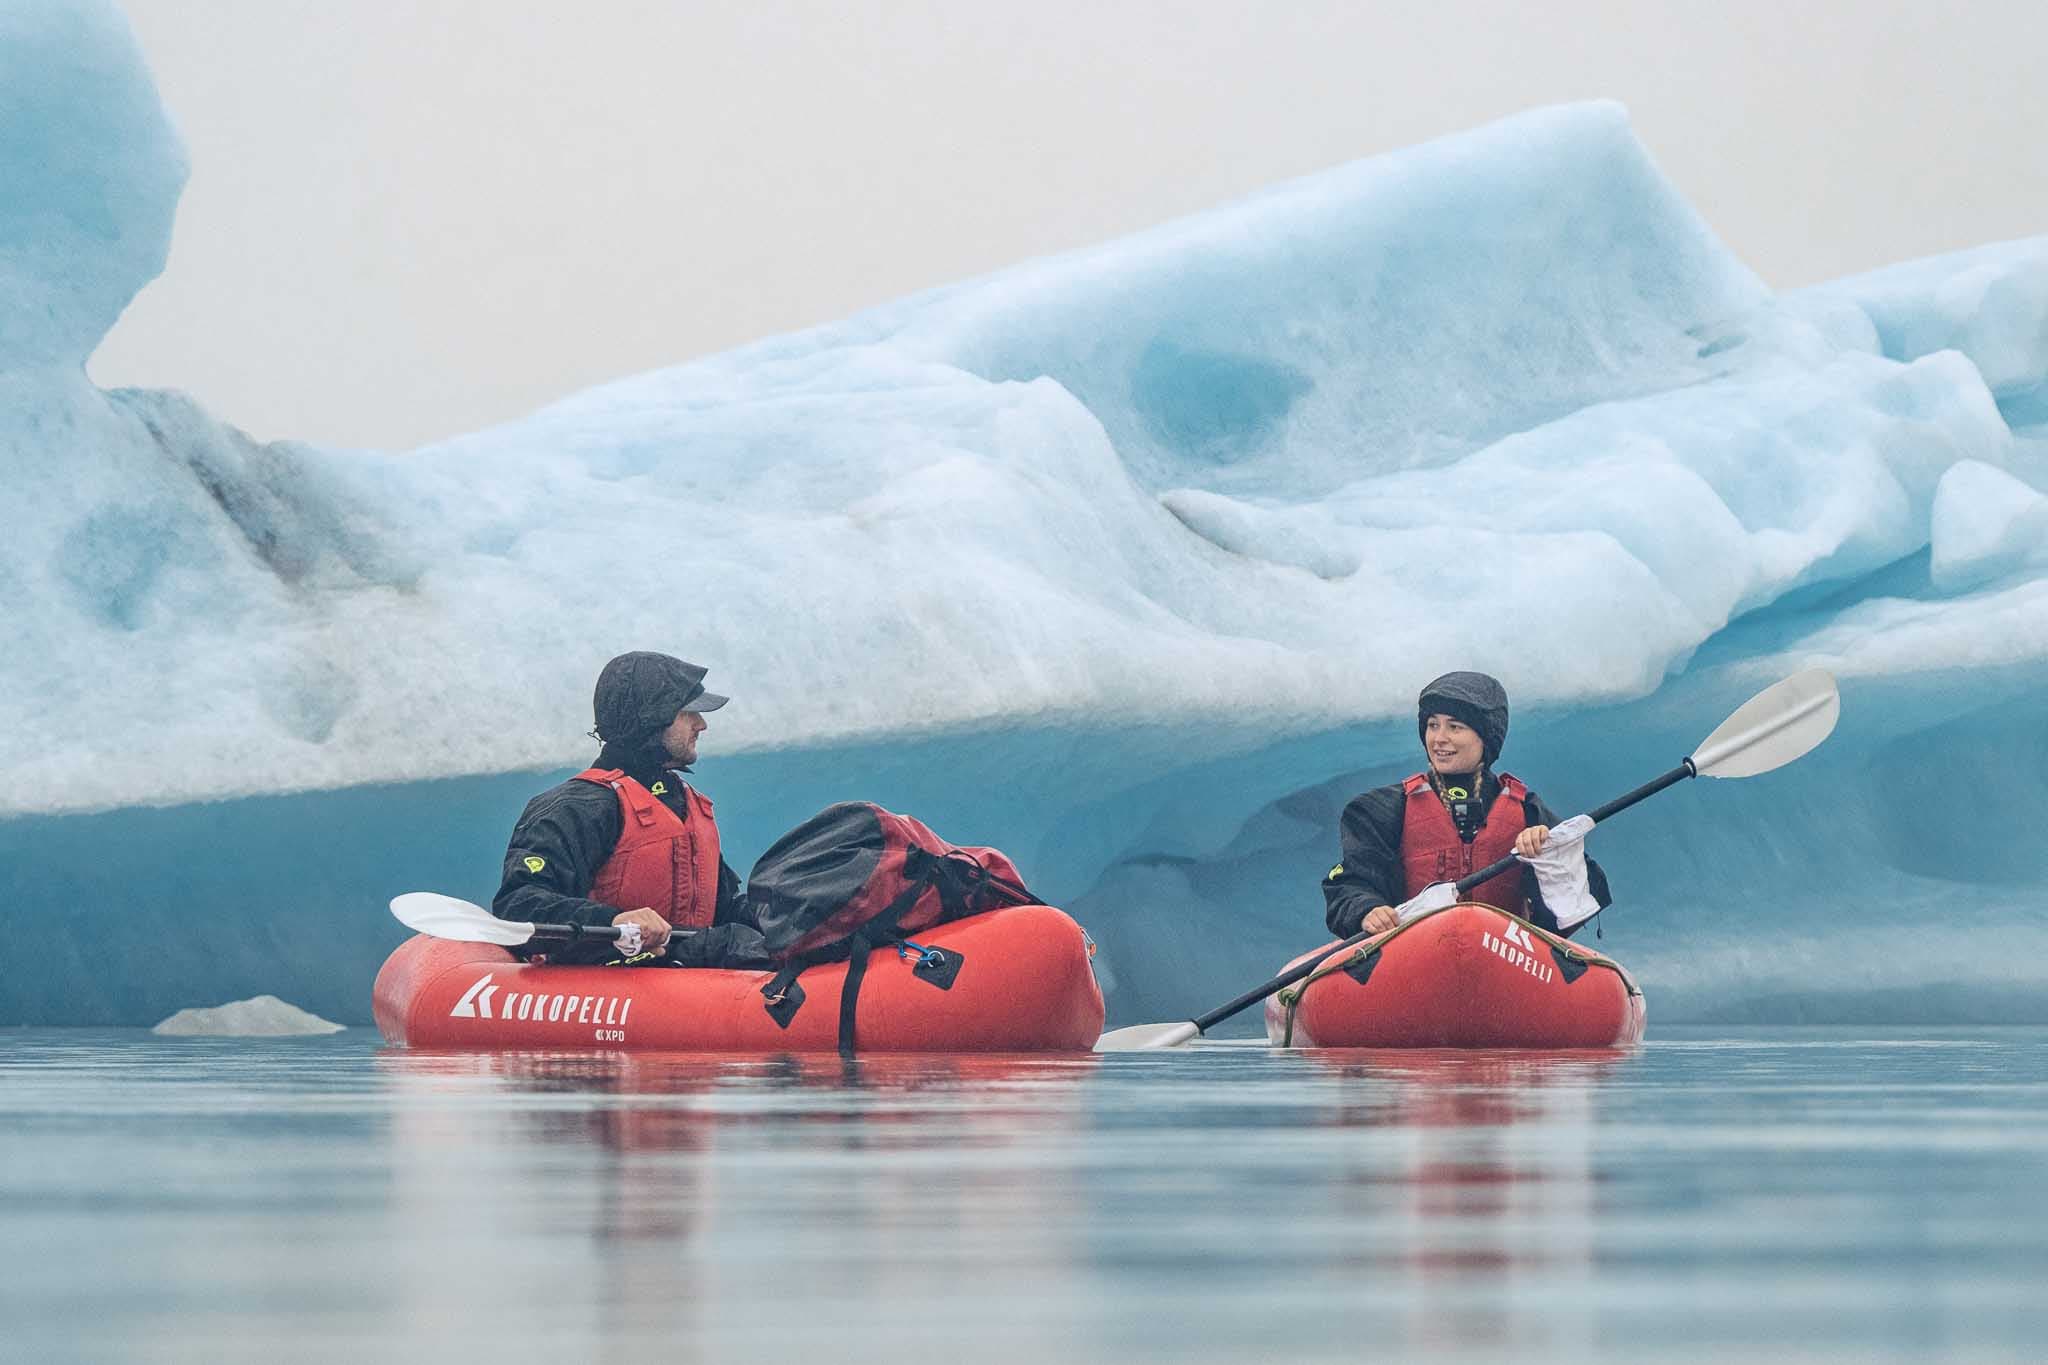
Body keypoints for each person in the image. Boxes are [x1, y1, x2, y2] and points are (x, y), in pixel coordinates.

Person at [492, 651, 771, 967]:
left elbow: (722, 910)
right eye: (688, 712)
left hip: (691, 989)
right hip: (608, 993)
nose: (701, 724)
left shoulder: (683, 802)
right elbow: (518, 905)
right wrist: (614, 922)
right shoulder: (577, 808)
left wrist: (787, 915)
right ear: (653, 718)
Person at [1321, 671, 1610, 940]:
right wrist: (1367, 910)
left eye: (1455, 727)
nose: (1439, 738)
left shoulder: (1528, 812)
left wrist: (1548, 858)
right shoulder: (1380, 810)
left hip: (1504, 964)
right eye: (1432, 725)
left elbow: (1582, 896)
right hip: (1411, 958)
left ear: (1485, 739)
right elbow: (1348, 885)